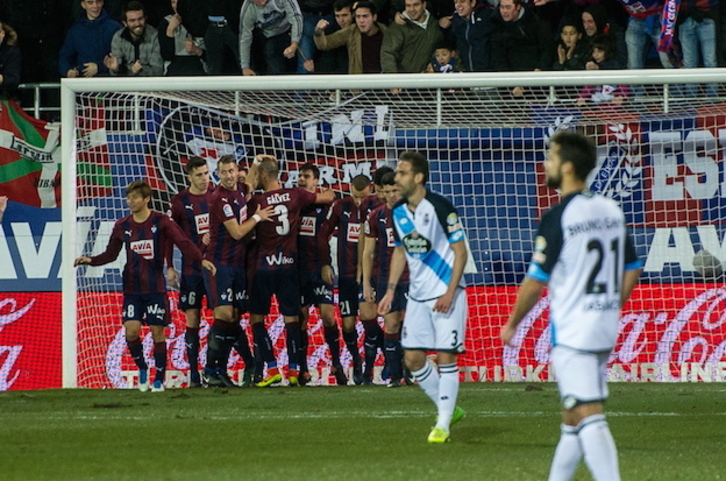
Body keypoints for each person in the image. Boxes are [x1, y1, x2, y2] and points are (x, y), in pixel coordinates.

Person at [501, 131, 642, 480]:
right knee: (572, 419)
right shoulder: (610, 209)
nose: (545, 163)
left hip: (573, 331)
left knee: (588, 413)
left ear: (566, 167)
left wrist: (513, 323)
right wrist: (612, 306)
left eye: (550, 157)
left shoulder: (558, 216)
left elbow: (535, 281)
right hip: (603, 326)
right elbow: (632, 267)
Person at [74, 181, 217, 392]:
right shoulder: (122, 225)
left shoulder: (161, 221)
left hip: (155, 288)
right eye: (128, 198)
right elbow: (110, 254)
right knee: (131, 332)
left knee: (158, 333)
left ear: (146, 199)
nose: (129, 202)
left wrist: (200, 259)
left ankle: (159, 378)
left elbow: (183, 242)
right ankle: (142, 368)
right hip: (132, 289)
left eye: (134, 198)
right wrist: (90, 260)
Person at [378, 151, 468, 443]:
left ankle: (442, 424)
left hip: (445, 294)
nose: (397, 178)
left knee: (446, 357)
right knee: (414, 359)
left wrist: (450, 292)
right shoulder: (398, 212)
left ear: (418, 177)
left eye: (402, 173)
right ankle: (448, 408)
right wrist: (390, 291)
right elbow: (401, 251)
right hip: (417, 296)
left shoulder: (441, 207)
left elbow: (460, 252)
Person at [248, 155, 335, 387]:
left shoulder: (257, 200)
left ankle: (272, 368)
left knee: (256, 318)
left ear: (263, 176)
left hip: (264, 267)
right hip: (289, 266)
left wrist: (254, 166)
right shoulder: (296, 195)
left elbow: (245, 191)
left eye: (258, 175)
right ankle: (295, 371)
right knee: (293, 319)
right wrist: (324, 195)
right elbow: (328, 196)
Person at [202, 155, 275, 388]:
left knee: (233, 317)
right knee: (223, 315)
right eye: (224, 172)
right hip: (219, 264)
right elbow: (237, 233)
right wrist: (257, 216)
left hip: (237, 265)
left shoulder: (240, 190)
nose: (229, 176)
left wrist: (255, 163)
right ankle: (212, 370)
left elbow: (251, 182)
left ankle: (225, 369)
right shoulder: (220, 199)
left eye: (232, 171)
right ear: (218, 174)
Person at [297, 162, 347, 386]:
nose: (301, 179)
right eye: (299, 176)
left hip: (320, 268)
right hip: (297, 270)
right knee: (301, 319)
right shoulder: (294, 204)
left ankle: (336, 363)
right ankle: (303, 368)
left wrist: (326, 263)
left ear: (316, 181)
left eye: (306, 176)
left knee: (327, 315)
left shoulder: (326, 207)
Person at [320, 174, 372, 384]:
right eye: (356, 196)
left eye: (363, 196)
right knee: (348, 325)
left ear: (372, 188)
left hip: (369, 276)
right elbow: (322, 234)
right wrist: (325, 263)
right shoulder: (340, 207)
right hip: (347, 277)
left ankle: (370, 367)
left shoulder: (376, 207)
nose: (359, 201)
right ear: (350, 189)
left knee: (370, 322)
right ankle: (356, 359)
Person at [166, 157, 213, 388]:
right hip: (192, 271)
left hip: (216, 269)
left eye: (206, 173)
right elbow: (168, 234)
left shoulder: (217, 195)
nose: (205, 179)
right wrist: (170, 267)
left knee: (226, 317)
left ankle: (216, 369)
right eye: (199, 175)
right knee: (192, 320)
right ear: (189, 177)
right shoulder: (179, 201)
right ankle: (194, 375)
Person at [362, 171, 409, 387]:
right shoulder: (376, 216)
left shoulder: (415, 213)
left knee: (409, 325)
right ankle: (396, 376)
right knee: (390, 325)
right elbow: (368, 252)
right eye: (387, 191)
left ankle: (410, 372)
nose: (391, 195)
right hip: (384, 278)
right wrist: (365, 283)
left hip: (411, 278)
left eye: (395, 191)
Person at [490, 0, 553, 96]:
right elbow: (498, 57)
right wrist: (512, 84)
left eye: (508, 7)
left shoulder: (536, 20)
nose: (504, 11)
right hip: (510, 88)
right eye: (502, 7)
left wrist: (539, 70)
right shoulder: (496, 24)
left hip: (537, 85)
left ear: (518, 6)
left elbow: (547, 49)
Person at [313, 0, 386, 74]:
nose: (361, 20)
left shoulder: (385, 32)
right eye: (358, 16)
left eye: (365, 16)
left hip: (381, 81)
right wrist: (318, 32)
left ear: (374, 17)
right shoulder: (351, 31)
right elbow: (324, 44)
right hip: (359, 82)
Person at [58, 0, 122, 79]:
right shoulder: (75, 31)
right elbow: (64, 56)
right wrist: (68, 71)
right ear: (83, 4)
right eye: (90, 2)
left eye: (98, 2)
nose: (95, 6)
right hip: (82, 85)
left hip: (109, 83)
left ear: (102, 3)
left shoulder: (115, 28)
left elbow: (124, 57)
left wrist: (99, 67)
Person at [239, 0, 303, 75]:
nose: (261, 2)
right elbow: (245, 37)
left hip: (291, 29)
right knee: (270, 51)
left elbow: (296, 18)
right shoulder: (248, 6)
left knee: (304, 58)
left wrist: (294, 44)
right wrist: (245, 67)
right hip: (271, 36)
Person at [380, 0, 444, 74]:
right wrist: (391, 80)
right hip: (402, 81)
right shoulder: (397, 27)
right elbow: (388, 54)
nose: (412, 9)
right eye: (408, 5)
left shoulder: (434, 25)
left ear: (424, 5)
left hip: (428, 81)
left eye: (416, 5)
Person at [106, 1, 164, 76]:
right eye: (132, 20)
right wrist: (116, 69)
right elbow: (114, 73)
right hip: (125, 85)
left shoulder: (154, 35)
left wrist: (139, 71)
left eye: (140, 19)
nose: (137, 24)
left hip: (149, 84)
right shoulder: (118, 37)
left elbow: (158, 71)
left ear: (145, 18)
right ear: (125, 23)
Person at [438, 0, 494, 73]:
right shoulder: (455, 20)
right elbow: (450, 44)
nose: (458, 5)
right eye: (455, 2)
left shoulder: (488, 16)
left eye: (462, 1)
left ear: (473, 2)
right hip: (465, 74)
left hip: (489, 73)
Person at [678, 0, 718, 98]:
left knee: (710, 61)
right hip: (684, 20)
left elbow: (712, 2)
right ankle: (691, 99)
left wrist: (689, 4)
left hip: (706, 20)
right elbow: (676, 4)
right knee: (689, 63)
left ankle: (712, 100)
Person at [158, 0, 206, 75]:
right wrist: (170, 30)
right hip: (174, 71)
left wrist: (197, 50)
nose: (177, 6)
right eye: (173, 2)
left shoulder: (201, 21)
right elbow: (166, 56)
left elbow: (212, 58)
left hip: (199, 70)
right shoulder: (165, 23)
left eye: (179, 2)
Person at [304, 0, 352, 73]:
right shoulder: (328, 33)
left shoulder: (359, 31)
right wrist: (315, 69)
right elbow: (324, 61)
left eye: (344, 15)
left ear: (353, 14)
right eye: (337, 16)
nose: (341, 20)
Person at [0, 21, 21, 99]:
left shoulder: (11, 51)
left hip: (4, 97)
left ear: (3, 34)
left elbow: (13, 79)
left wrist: (2, 79)